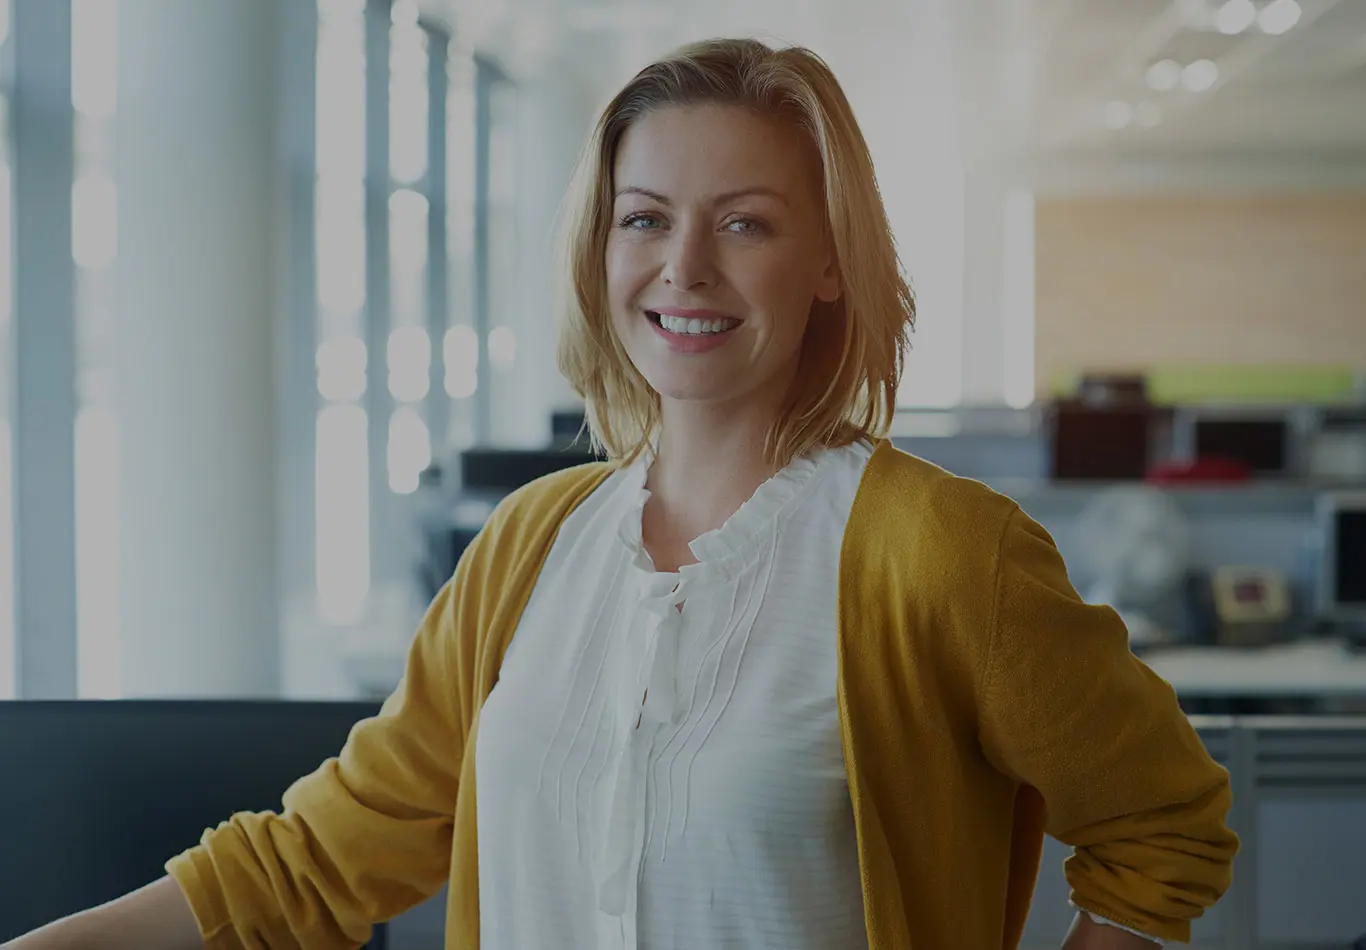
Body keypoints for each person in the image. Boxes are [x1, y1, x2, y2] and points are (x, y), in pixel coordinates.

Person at [6, 37, 1238, 950]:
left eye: (745, 223)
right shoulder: (530, 544)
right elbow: (319, 858)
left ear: (827, 261)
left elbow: (1165, 829)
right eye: (643, 218)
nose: (682, 266)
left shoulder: (940, 553)